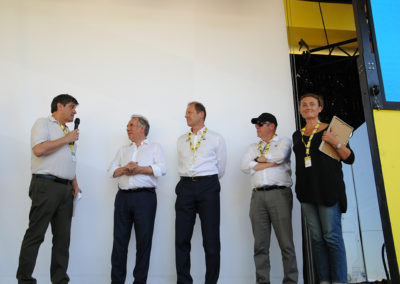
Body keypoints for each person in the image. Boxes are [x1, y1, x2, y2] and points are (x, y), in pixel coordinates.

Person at [17, 94, 82, 284]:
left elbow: (69, 159)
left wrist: (75, 184)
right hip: (45, 186)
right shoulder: (43, 123)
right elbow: (39, 150)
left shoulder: (67, 130)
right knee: (36, 234)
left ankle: (60, 280)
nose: (75, 111)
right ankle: (25, 280)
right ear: (59, 106)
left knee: (63, 239)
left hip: (65, 189)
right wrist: (67, 138)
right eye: (71, 107)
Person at [292, 93, 354, 284]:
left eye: (312, 104)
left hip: (328, 190)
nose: (307, 107)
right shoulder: (297, 135)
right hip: (307, 192)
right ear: (301, 110)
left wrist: (334, 141)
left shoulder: (333, 129)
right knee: (317, 240)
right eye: (304, 105)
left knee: (332, 237)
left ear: (320, 108)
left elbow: (349, 158)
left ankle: (339, 281)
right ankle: (324, 281)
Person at [108, 115, 166, 284]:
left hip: (145, 198)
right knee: (119, 243)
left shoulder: (155, 147)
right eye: (127, 125)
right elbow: (111, 171)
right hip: (123, 198)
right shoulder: (122, 150)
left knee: (144, 243)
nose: (127, 128)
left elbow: (162, 169)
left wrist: (139, 169)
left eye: (131, 125)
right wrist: (125, 168)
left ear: (142, 128)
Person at [241, 113, 298, 284]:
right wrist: (270, 162)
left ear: (271, 126)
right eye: (256, 125)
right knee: (260, 246)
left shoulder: (284, 141)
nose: (257, 128)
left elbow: (281, 156)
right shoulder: (252, 147)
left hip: (279, 194)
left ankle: (290, 281)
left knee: (286, 244)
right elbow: (245, 166)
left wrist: (258, 162)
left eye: (260, 124)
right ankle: (262, 281)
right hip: (257, 196)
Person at [175, 102, 227, 284]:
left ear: (201, 114)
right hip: (185, 187)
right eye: (186, 112)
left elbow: (220, 168)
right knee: (181, 238)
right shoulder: (181, 139)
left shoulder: (216, 138)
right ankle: (183, 281)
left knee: (211, 240)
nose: (186, 115)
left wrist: (207, 181)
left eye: (189, 112)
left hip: (208, 186)